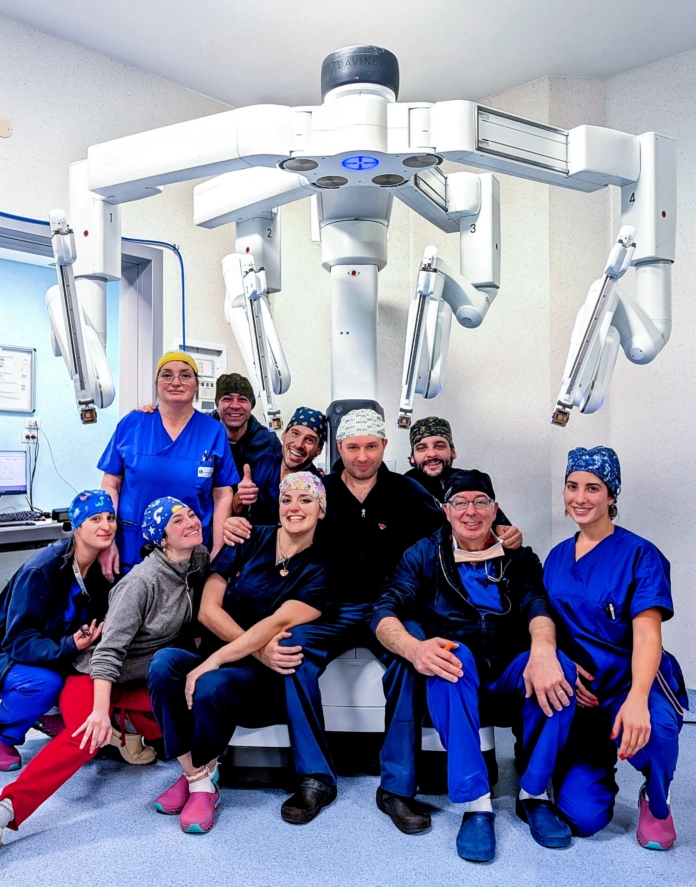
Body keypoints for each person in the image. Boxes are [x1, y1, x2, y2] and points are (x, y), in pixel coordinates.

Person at [224, 409, 524, 826]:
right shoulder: (322, 490)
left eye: (370, 446)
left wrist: (504, 529)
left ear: (384, 446)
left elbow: (460, 521)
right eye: (352, 447)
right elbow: (281, 520)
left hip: (393, 607)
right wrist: (237, 522)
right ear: (339, 449)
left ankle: (397, 789)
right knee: (292, 652)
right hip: (327, 605)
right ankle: (314, 778)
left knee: (411, 660)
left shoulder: (408, 493)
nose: (362, 456)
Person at [372, 470, 576, 862]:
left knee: (560, 667)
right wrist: (415, 649)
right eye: (461, 503)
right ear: (446, 511)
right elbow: (384, 611)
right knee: (450, 658)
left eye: (480, 502)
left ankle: (534, 795)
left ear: (495, 510)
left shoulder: (518, 556)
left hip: (511, 674)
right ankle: (477, 804)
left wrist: (543, 650)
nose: (471, 512)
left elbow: (537, 605)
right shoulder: (424, 554)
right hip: (459, 681)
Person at [0, 497, 209, 840]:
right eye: (177, 520)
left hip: (135, 680)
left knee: (200, 701)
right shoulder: (141, 583)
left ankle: (135, 736)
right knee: (86, 739)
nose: (191, 522)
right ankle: (8, 807)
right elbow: (106, 653)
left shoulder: (196, 560)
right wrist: (98, 712)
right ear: (161, 538)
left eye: (191, 514)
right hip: (92, 675)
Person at [148, 472, 328, 834]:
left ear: (321, 510)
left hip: (261, 681)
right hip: (231, 658)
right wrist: (248, 651)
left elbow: (278, 622)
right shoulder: (246, 536)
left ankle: (202, 787)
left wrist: (224, 659)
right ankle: (195, 774)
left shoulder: (323, 567)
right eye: (287, 499)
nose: (294, 507)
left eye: (306, 500)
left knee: (212, 683)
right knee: (163, 664)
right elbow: (207, 610)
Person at [546, 447, 686, 850]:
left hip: (631, 681)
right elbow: (548, 628)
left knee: (656, 728)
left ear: (612, 495)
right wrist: (563, 668)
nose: (580, 497)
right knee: (583, 819)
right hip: (584, 693)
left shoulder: (640, 554)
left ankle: (656, 801)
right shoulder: (556, 558)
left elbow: (647, 635)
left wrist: (638, 698)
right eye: (572, 486)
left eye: (593, 488)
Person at [0, 490, 114, 772]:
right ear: (77, 526)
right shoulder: (42, 570)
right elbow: (17, 640)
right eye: (95, 519)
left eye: (110, 518)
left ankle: (46, 711)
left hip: (50, 649)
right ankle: (4, 736)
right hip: (8, 650)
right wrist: (68, 646)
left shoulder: (99, 570)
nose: (106, 526)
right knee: (44, 684)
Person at [98, 351, 238, 577]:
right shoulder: (132, 424)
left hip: (191, 551)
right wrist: (106, 540)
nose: (175, 382)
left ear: (197, 385)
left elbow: (222, 494)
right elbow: (110, 485)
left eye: (185, 375)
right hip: (133, 546)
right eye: (167, 375)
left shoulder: (213, 431)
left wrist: (218, 548)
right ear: (157, 384)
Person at [232, 407, 326, 524]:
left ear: (319, 449)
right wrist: (240, 498)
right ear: (284, 435)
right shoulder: (264, 464)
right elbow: (237, 511)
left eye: (310, 440)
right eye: (295, 433)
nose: (298, 445)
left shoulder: (316, 485)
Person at [211, 372, 281, 475]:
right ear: (217, 405)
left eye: (242, 399)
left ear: (251, 406)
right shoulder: (200, 434)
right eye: (227, 399)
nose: (235, 406)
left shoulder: (268, 441)